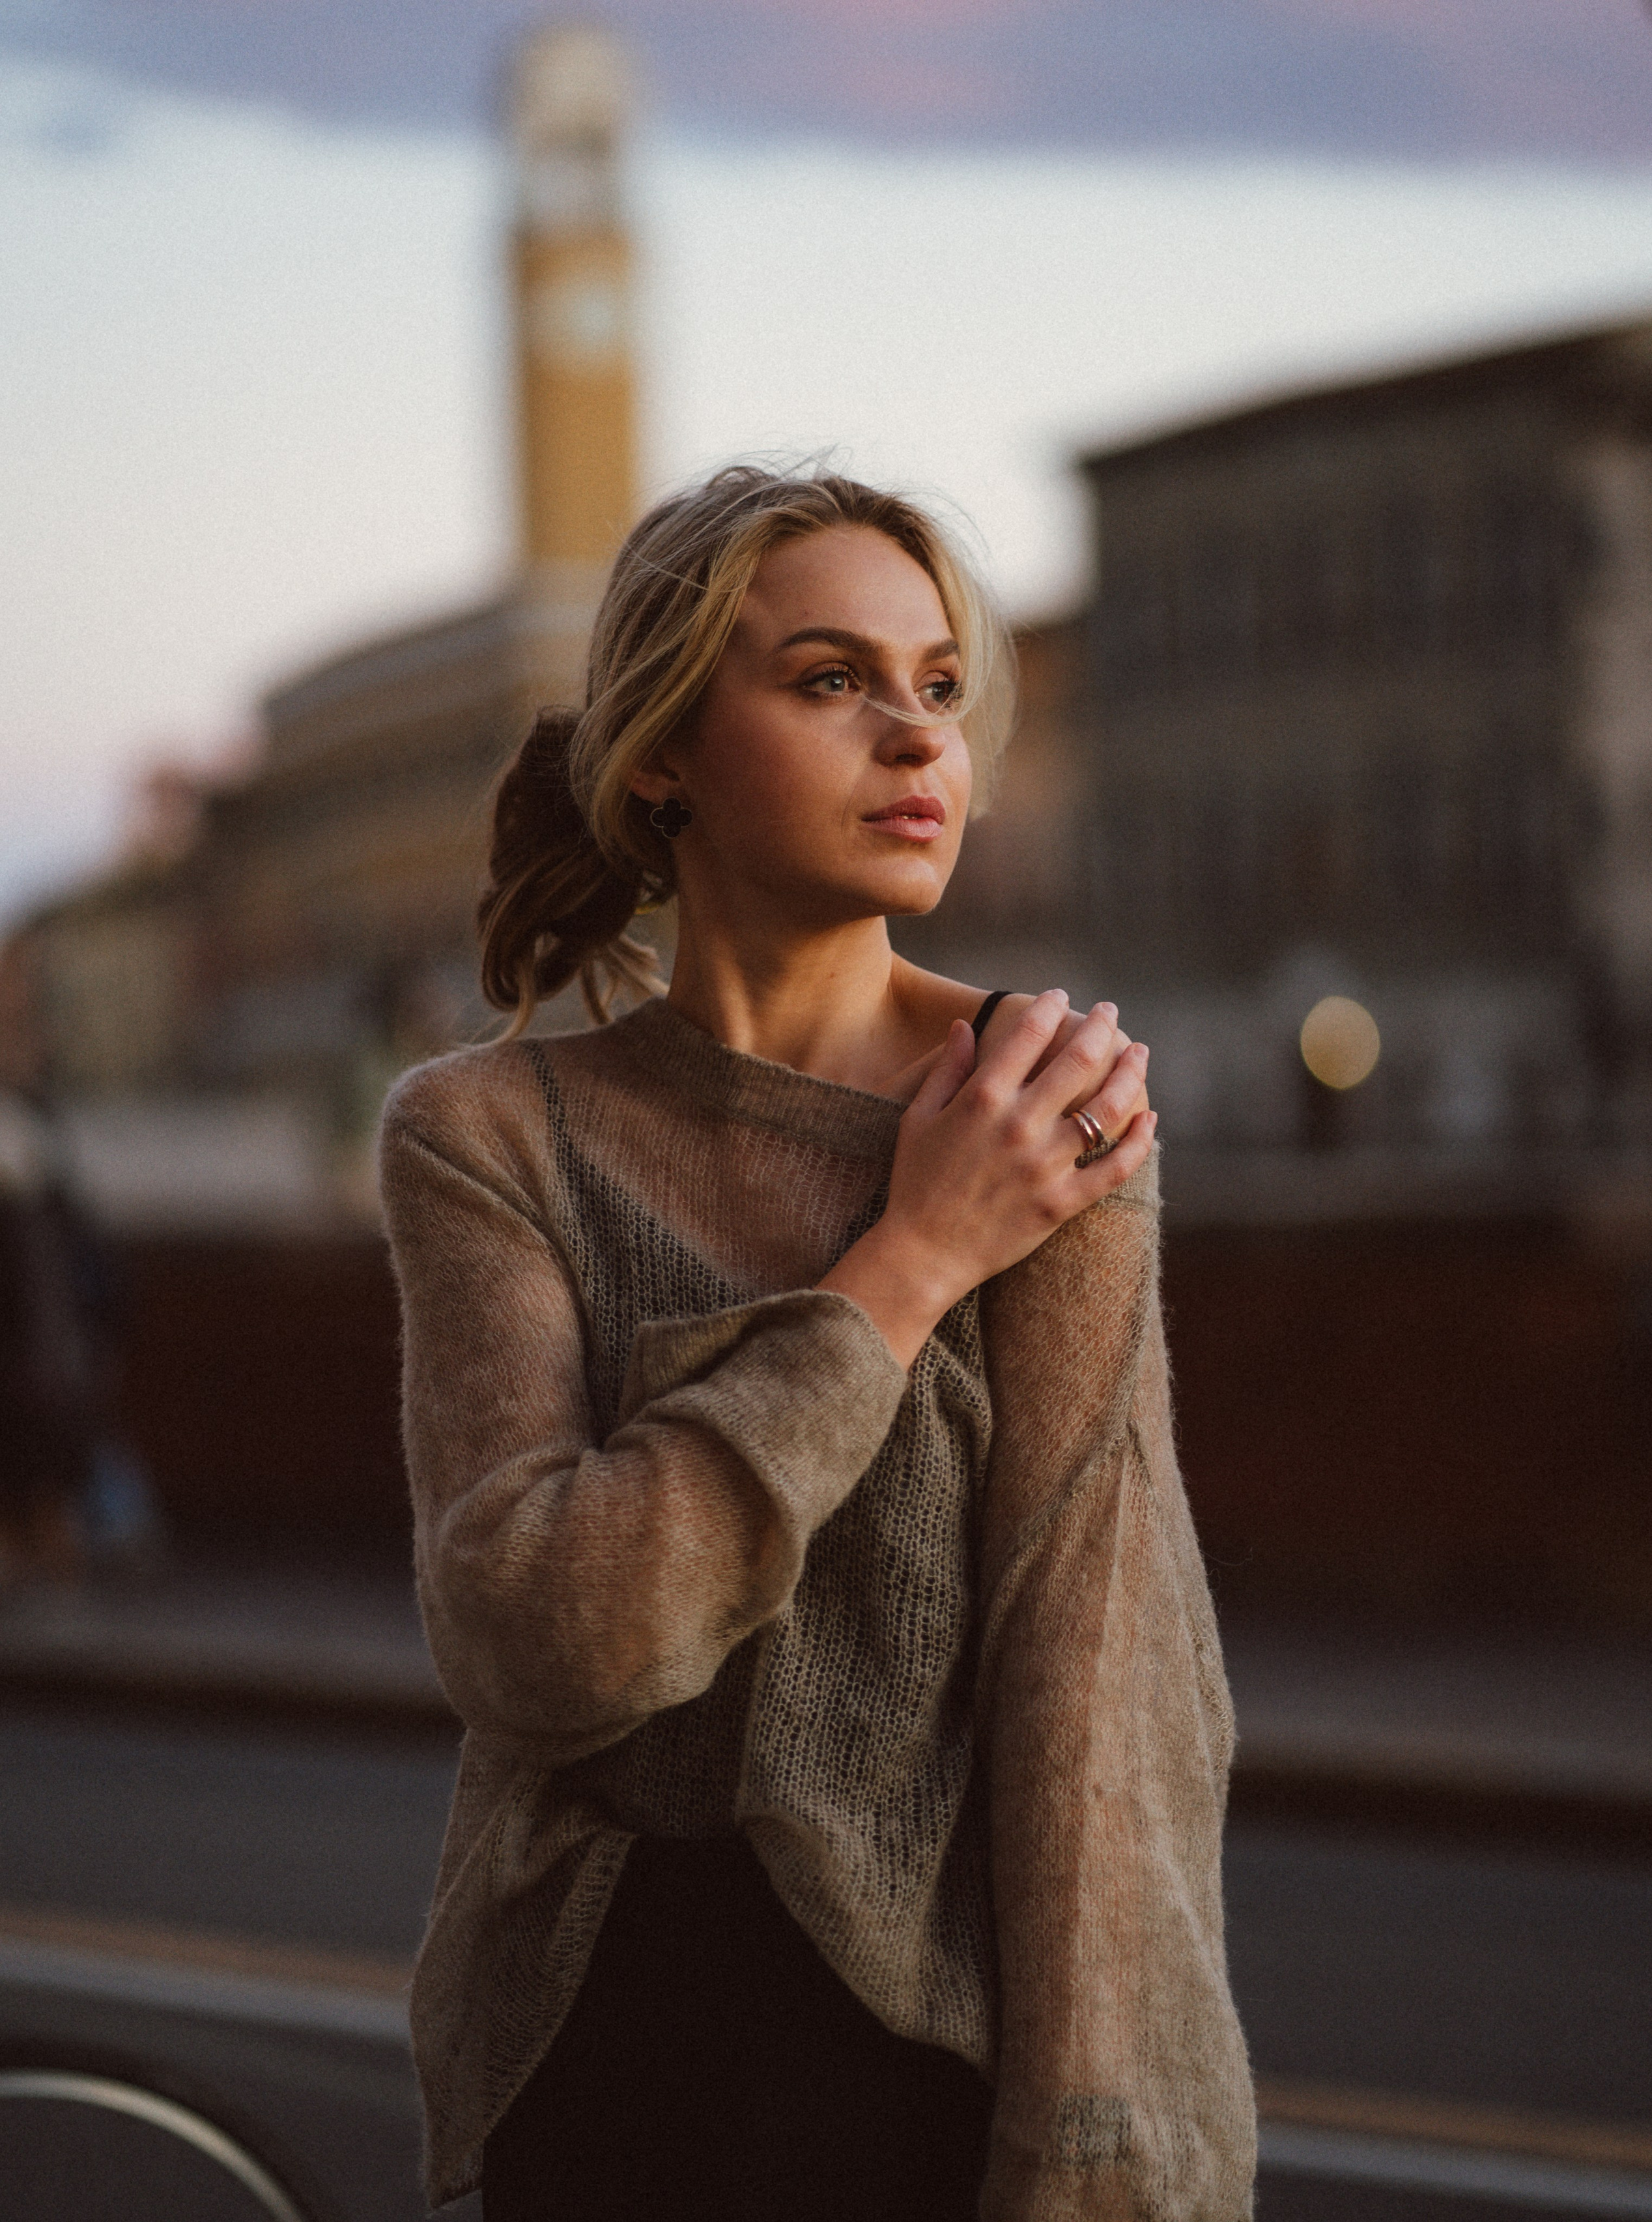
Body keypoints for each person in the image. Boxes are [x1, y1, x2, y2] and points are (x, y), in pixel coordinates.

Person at [378, 466, 1255, 2221]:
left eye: (941, 684)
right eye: (833, 679)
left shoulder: (1040, 1105)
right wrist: (911, 1263)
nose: (919, 737)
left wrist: (1089, 2149)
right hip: (598, 2051)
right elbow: (541, 1635)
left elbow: (1094, 1687)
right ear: (662, 757)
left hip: (919, 2069)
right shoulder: (487, 1136)